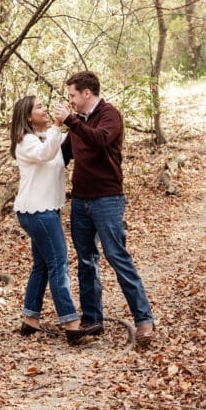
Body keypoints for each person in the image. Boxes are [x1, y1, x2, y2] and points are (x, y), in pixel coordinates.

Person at [53, 71, 155, 348]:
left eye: (73, 95)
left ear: (87, 93)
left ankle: (144, 319)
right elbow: (61, 156)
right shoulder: (77, 125)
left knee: (116, 256)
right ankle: (92, 320)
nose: (71, 101)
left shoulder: (110, 115)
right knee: (86, 261)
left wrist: (71, 122)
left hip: (107, 199)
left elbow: (99, 140)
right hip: (81, 200)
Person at [11, 94, 97, 344]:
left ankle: (30, 319)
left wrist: (73, 115)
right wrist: (58, 125)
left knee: (42, 265)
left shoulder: (45, 135)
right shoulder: (26, 141)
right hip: (37, 211)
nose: (44, 109)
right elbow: (47, 154)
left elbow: (71, 136)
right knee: (58, 263)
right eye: (39, 107)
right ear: (28, 116)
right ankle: (71, 323)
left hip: (46, 210)